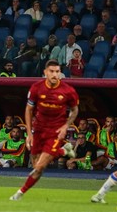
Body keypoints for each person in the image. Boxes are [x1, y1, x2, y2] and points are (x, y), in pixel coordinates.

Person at [9, 59, 79, 201]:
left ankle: (19, 193)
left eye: (57, 72)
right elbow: (29, 110)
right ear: (45, 72)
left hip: (55, 131)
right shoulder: (36, 88)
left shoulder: (68, 91)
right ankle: (64, 151)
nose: (55, 74)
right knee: (35, 165)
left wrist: (66, 125)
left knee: (39, 167)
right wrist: (29, 134)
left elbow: (75, 110)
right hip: (39, 130)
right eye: (52, 71)